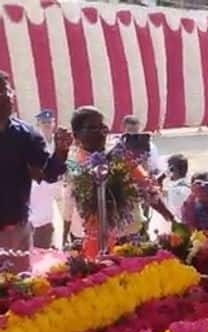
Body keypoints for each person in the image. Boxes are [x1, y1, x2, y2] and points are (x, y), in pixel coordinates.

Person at [63, 107, 174, 255]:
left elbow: (147, 188)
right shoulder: (73, 165)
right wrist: (64, 236)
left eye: (102, 126)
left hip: (131, 241)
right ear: (76, 135)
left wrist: (170, 217)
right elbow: (68, 206)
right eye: (92, 127)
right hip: (93, 245)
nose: (101, 131)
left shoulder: (121, 156)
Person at [0, 72, 69, 270]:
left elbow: (49, 174)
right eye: (1, 91)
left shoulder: (26, 135)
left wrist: (61, 152)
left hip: (15, 228)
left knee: (19, 288)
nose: (8, 96)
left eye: (8, 90)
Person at [30, 109, 60, 249]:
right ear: (38, 124)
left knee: (60, 214)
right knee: (43, 217)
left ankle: (54, 242)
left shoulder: (58, 140)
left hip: (59, 185)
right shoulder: (35, 140)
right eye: (44, 122)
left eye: (49, 122)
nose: (47, 125)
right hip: (40, 185)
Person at [150, 154, 191, 237]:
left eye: (168, 167)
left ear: (171, 169)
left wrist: (162, 177)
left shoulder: (177, 191)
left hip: (178, 231)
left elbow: (159, 202)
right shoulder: (185, 187)